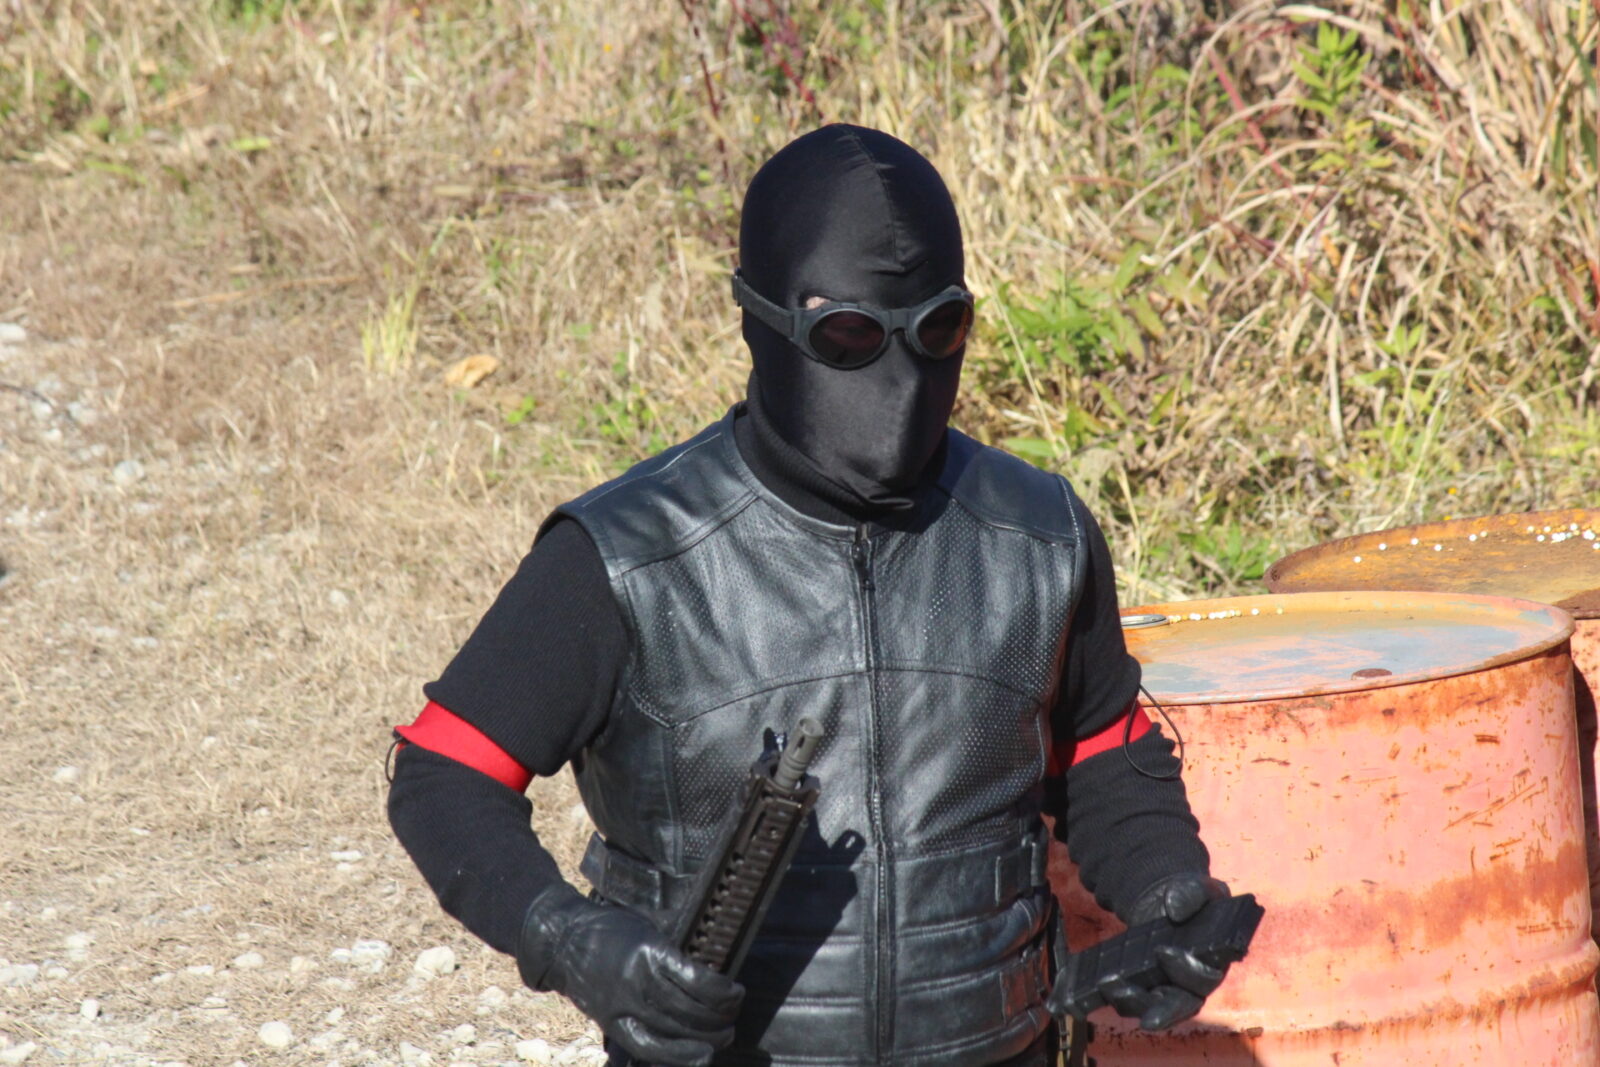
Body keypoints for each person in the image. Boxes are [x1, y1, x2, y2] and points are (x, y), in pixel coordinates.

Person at [388, 123, 1232, 1067]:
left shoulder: (1041, 536)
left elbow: (1105, 753)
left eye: (937, 328)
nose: (900, 379)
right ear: (762, 322)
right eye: (850, 334)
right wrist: (566, 937)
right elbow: (442, 775)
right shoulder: (628, 555)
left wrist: (1167, 890)